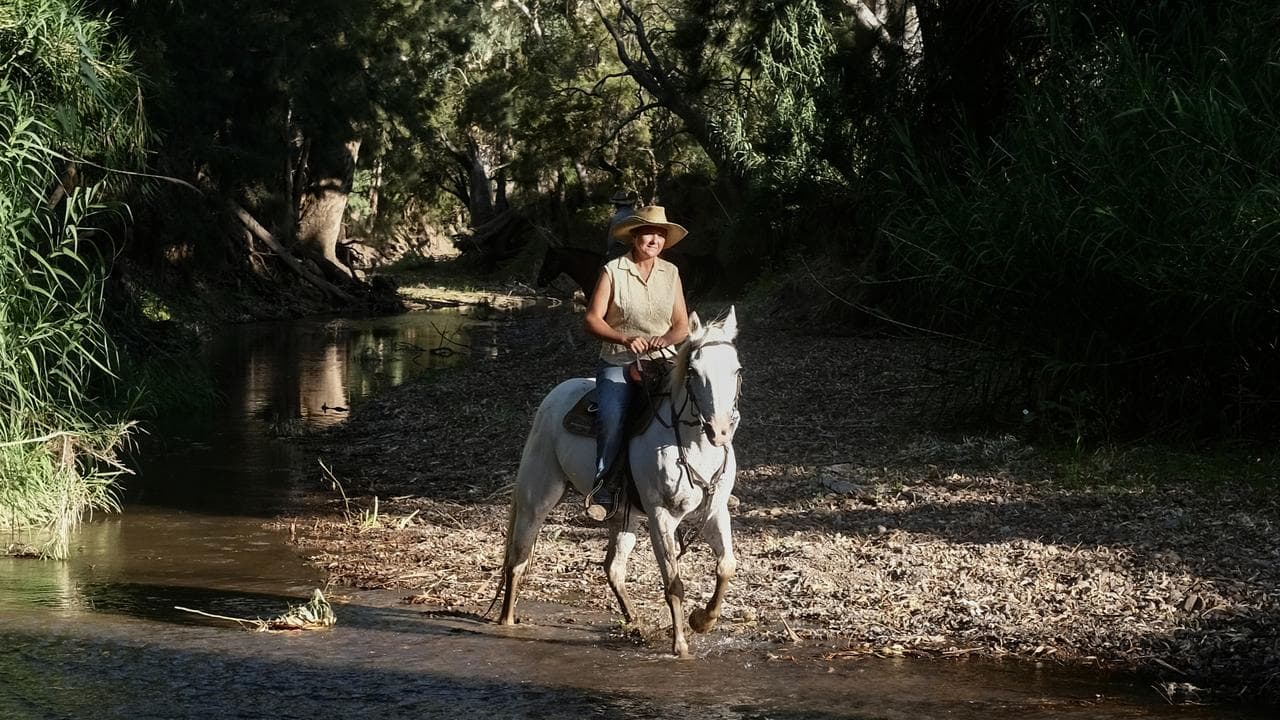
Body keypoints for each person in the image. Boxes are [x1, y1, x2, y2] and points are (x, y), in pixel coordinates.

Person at [582, 205, 691, 520]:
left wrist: (666, 340)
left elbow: (681, 325)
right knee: (612, 416)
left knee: (697, 403)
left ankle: (710, 480)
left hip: (662, 360)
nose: (654, 240)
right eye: (649, 233)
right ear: (635, 236)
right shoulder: (613, 270)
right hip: (618, 359)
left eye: (660, 235)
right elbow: (592, 320)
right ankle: (603, 488)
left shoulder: (670, 274)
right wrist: (624, 338)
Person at [603, 190, 636, 261]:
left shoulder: (617, 217)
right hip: (634, 248)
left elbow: (611, 238)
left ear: (616, 205)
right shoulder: (635, 214)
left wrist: (609, 251)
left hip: (619, 249)